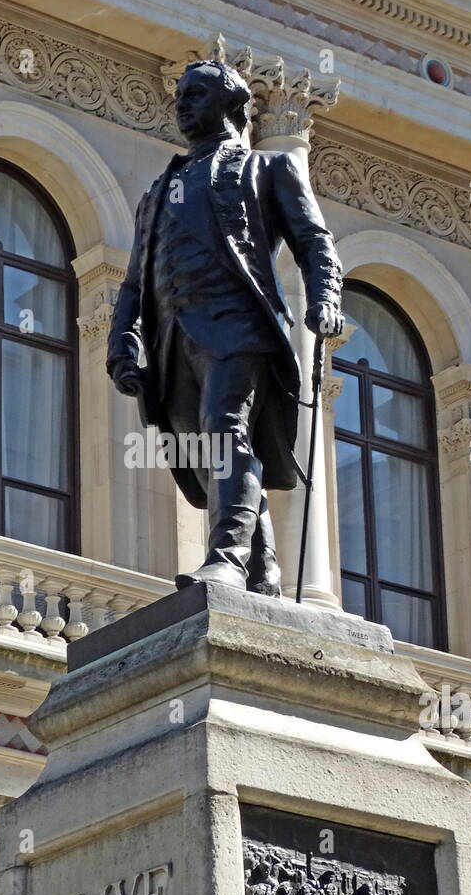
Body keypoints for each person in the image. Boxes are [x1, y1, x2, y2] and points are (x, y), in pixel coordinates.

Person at [107, 59, 344, 595]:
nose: (182, 103)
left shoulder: (269, 169)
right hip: (174, 338)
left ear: (232, 105)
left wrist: (326, 298)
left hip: (239, 326)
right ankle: (262, 579)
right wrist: (123, 347)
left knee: (225, 433)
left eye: (196, 93)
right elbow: (134, 283)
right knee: (216, 452)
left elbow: (314, 241)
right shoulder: (157, 191)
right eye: (180, 95)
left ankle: (227, 561)